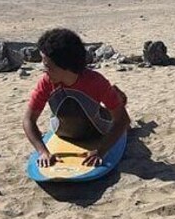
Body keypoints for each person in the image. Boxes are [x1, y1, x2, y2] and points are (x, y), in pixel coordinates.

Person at [23, 28, 130, 168]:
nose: (44, 70)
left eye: (48, 66)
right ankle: (116, 97)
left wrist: (101, 151)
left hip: (97, 131)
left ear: (66, 66)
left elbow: (123, 120)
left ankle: (118, 98)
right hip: (63, 132)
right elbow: (28, 120)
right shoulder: (47, 82)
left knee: (115, 108)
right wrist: (42, 151)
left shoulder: (96, 82)